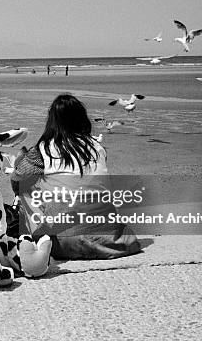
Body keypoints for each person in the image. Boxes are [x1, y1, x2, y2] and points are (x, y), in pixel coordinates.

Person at [11, 94, 140, 260]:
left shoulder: (44, 149)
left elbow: (16, 181)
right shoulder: (97, 147)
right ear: (82, 119)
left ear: (52, 121)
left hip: (64, 241)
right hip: (110, 238)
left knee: (24, 189)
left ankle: (38, 237)